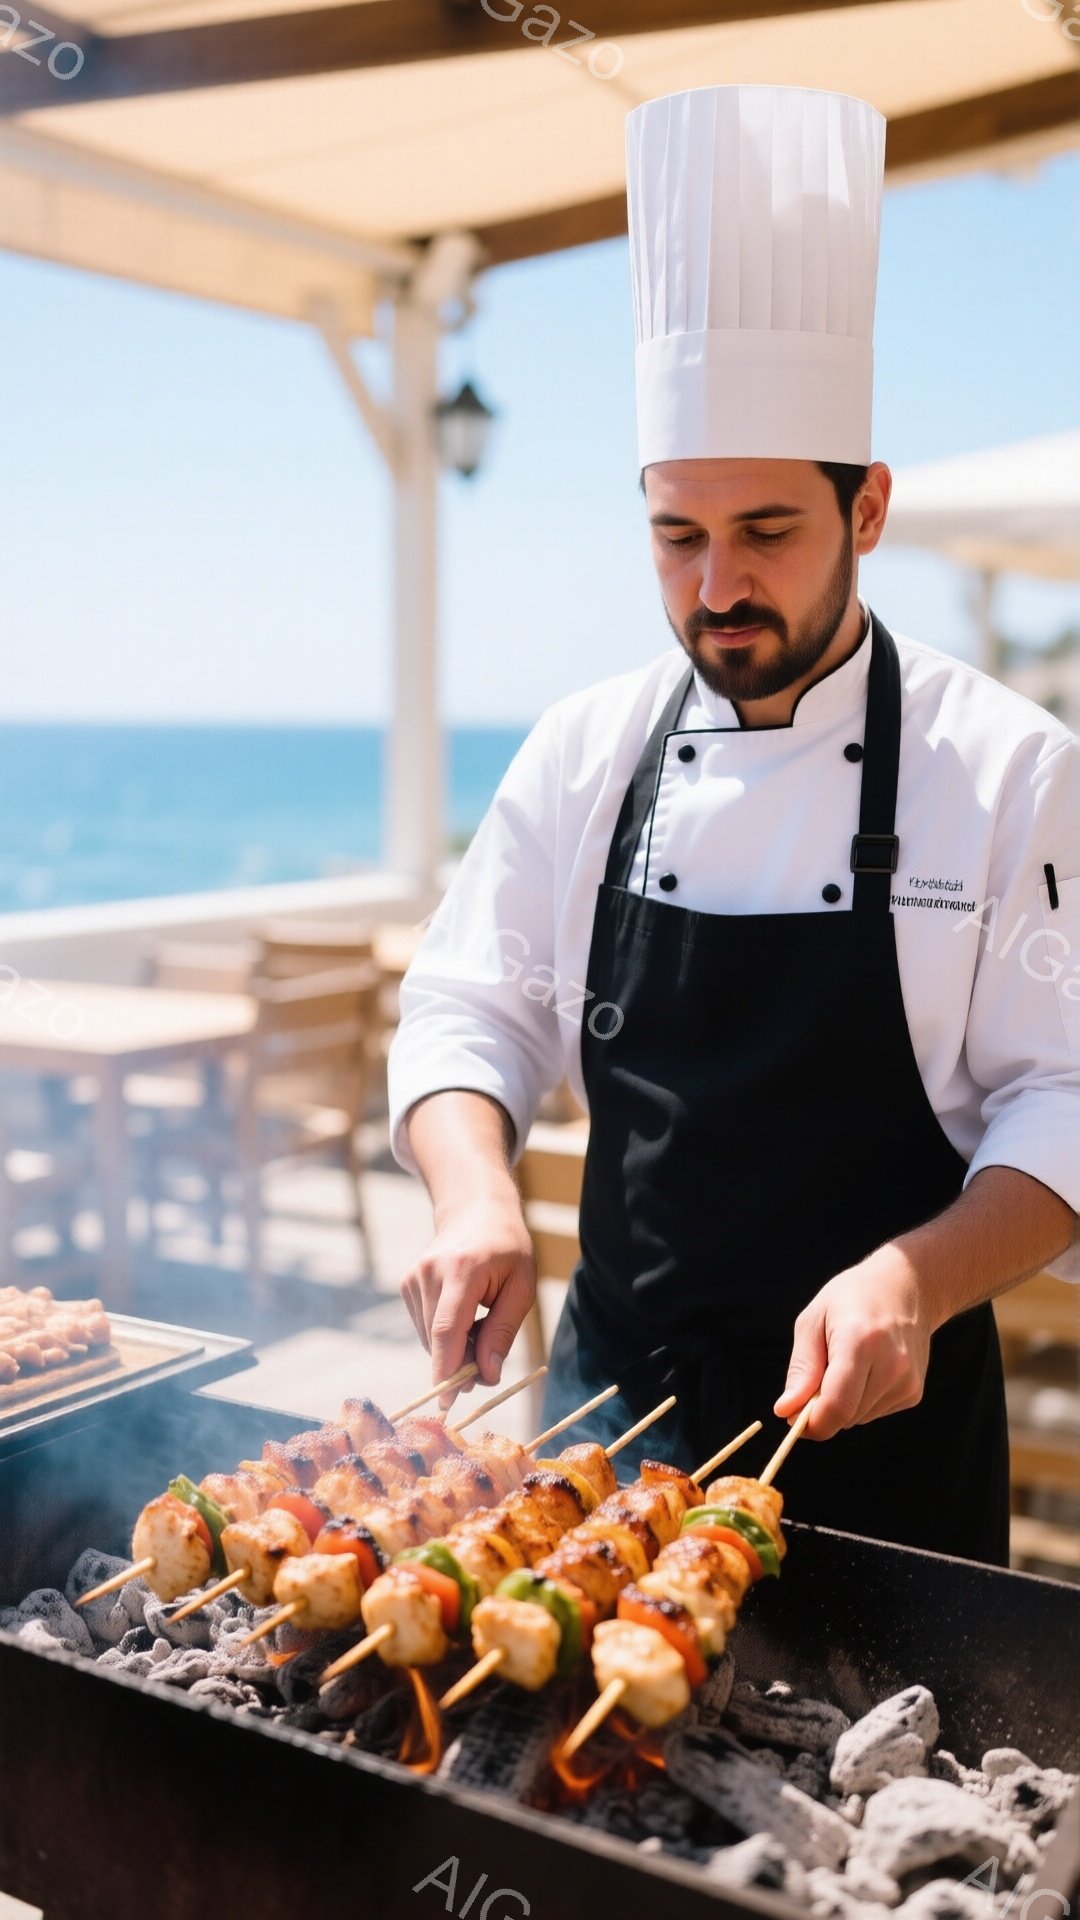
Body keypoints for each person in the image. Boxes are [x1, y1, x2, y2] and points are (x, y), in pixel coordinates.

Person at [387, 84, 1079, 1563]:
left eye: (767, 533)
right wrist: (473, 1193)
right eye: (677, 535)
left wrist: (921, 1277)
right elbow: (470, 1006)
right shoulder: (587, 749)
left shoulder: (1011, 767)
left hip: (885, 1447)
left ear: (869, 508)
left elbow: (1066, 1097)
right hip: (603, 1430)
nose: (717, 590)